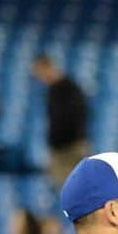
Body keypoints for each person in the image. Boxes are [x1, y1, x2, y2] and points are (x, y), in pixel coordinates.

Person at [32, 55, 89, 189]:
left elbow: (75, 117)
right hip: (59, 149)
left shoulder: (70, 88)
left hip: (71, 147)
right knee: (65, 188)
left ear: (47, 68)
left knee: (76, 188)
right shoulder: (51, 90)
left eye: (39, 72)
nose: (40, 78)